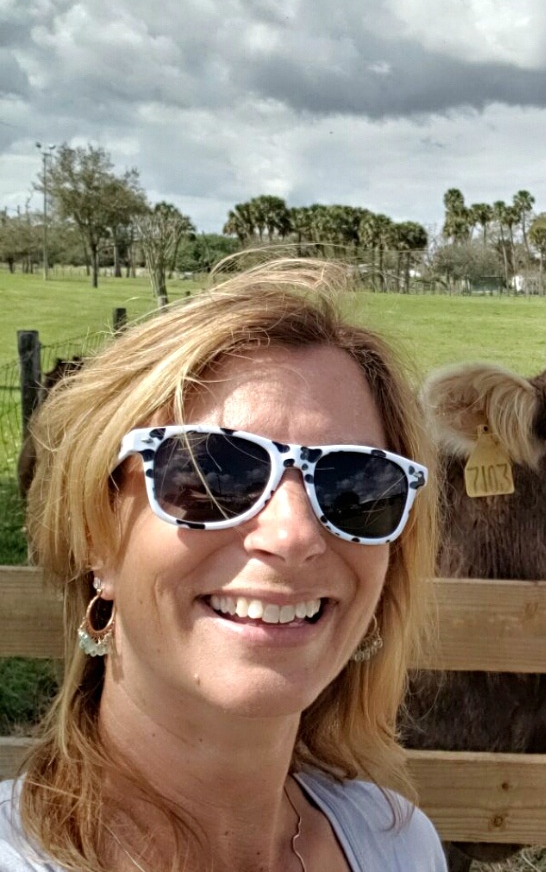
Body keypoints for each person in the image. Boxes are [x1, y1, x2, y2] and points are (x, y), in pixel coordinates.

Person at [2, 259, 448, 871]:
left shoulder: (400, 846)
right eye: (213, 473)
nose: (293, 536)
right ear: (96, 537)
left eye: (355, 486)